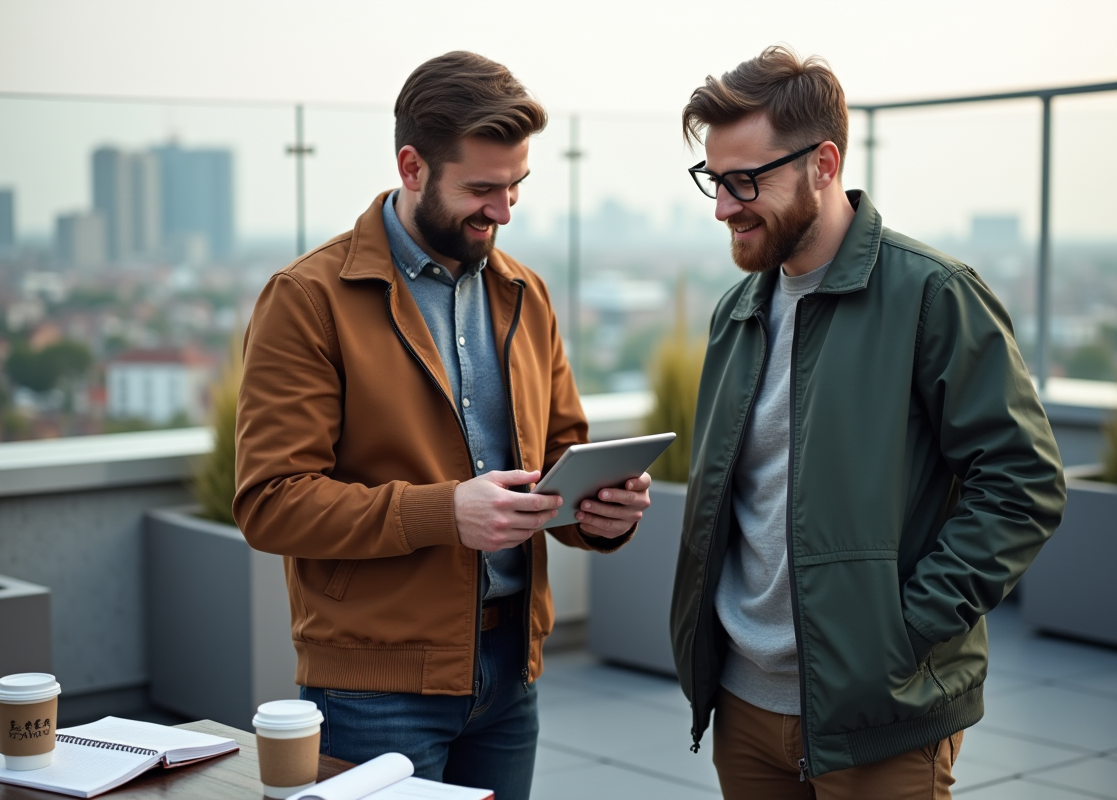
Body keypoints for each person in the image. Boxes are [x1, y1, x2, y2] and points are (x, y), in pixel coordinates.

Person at [234, 51, 650, 800]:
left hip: (509, 674)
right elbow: (271, 500)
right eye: (482, 189)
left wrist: (601, 513)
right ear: (412, 166)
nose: (504, 210)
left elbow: (561, 454)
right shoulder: (306, 300)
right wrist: (445, 511)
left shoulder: (527, 292)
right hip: (373, 691)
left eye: (517, 185)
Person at [668, 46, 1066, 799]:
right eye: (714, 181)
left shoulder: (932, 296)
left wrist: (902, 632)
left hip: (882, 713)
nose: (723, 207)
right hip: (744, 708)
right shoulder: (738, 313)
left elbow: (1024, 484)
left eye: (745, 180)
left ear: (823, 163)